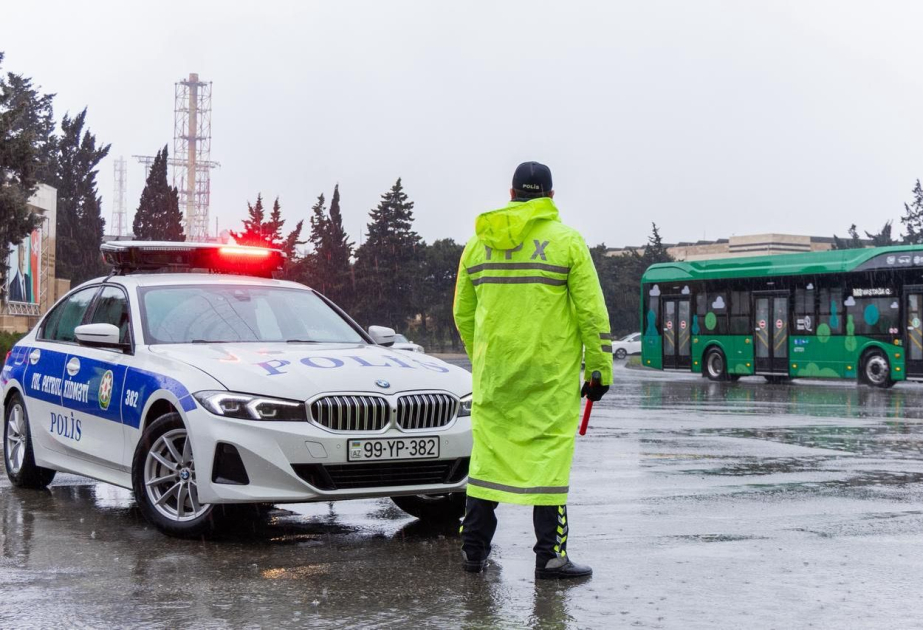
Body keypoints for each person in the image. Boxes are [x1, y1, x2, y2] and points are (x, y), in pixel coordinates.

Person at [453, 161, 612, 580]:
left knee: (487, 464)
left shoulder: (477, 245)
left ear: (510, 194)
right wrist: (599, 371)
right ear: (550, 197)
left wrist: (485, 358)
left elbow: (462, 313)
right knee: (549, 463)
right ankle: (550, 557)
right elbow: (592, 314)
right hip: (548, 378)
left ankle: (473, 552)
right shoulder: (567, 243)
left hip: (496, 377)